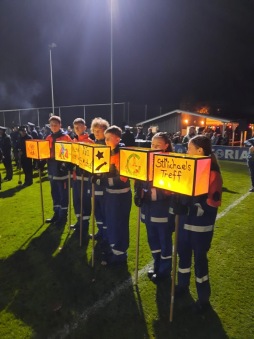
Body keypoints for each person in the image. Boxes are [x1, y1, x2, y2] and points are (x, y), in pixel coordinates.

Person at [174, 135, 223, 314]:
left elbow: (213, 204)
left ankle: (203, 299)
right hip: (184, 224)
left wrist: (193, 202)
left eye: (189, 148)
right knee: (183, 257)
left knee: (200, 262)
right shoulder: (190, 168)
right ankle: (182, 285)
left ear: (200, 151)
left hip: (200, 228)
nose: (187, 151)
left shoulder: (213, 173)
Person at [134, 132, 174, 283]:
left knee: (164, 242)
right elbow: (139, 181)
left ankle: (165, 270)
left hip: (162, 210)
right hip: (148, 209)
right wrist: (138, 192)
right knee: (153, 241)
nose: (154, 147)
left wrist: (153, 193)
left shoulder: (171, 162)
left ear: (166, 146)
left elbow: (172, 190)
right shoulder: (146, 160)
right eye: (152, 144)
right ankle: (156, 265)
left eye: (158, 145)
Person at [94, 125, 132, 265]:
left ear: (118, 139)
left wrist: (102, 180)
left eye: (109, 138)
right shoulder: (108, 152)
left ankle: (119, 256)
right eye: (105, 138)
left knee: (118, 224)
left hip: (120, 196)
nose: (106, 141)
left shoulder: (123, 154)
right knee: (111, 223)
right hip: (110, 195)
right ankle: (113, 249)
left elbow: (123, 179)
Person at [45, 116, 72, 227]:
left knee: (63, 194)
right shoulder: (48, 137)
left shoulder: (66, 137)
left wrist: (66, 165)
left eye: (55, 125)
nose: (53, 127)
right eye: (51, 125)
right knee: (54, 193)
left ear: (60, 125)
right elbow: (45, 152)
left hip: (62, 170)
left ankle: (63, 216)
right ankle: (56, 213)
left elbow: (70, 154)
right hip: (51, 168)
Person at [70, 118, 94, 238]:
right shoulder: (73, 141)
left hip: (85, 176)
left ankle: (85, 224)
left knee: (85, 200)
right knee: (76, 200)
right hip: (76, 176)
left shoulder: (90, 142)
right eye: (75, 127)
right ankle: (79, 221)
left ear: (85, 127)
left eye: (79, 126)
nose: (77, 129)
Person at [89, 117, 110, 240]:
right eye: (95, 130)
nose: (97, 132)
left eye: (100, 130)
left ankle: (106, 233)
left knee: (103, 208)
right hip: (94, 182)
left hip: (104, 183)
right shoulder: (92, 144)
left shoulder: (108, 145)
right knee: (96, 208)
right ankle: (100, 230)